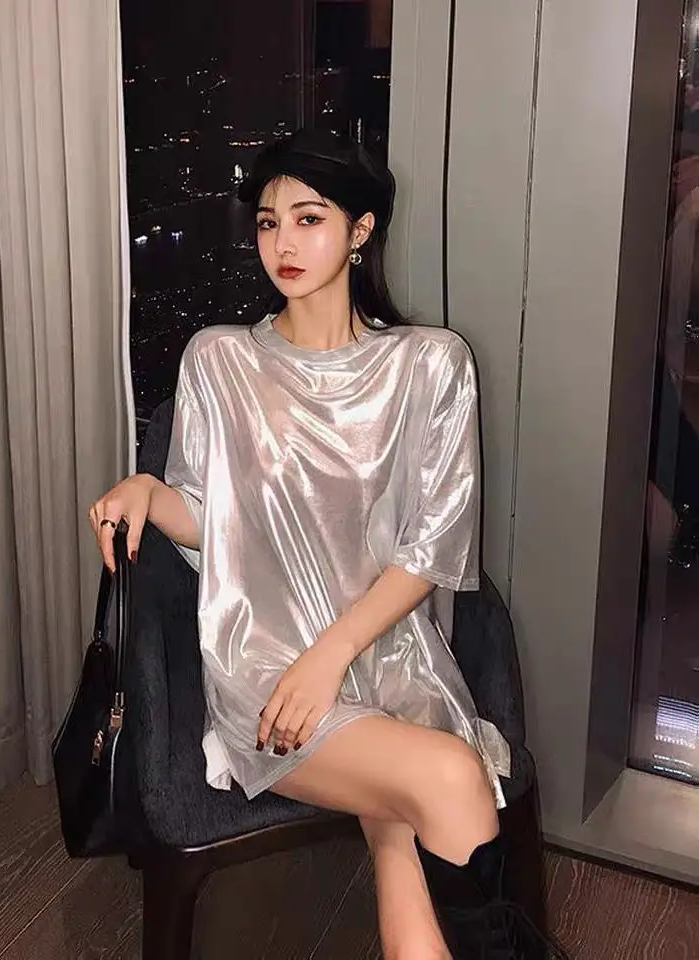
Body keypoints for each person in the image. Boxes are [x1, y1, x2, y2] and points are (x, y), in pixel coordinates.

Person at [89, 129, 565, 960]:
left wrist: (334, 654)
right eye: (268, 222)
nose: (283, 243)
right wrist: (149, 493)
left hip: (390, 657)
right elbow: (210, 520)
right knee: (448, 777)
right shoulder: (219, 360)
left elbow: (433, 547)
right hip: (270, 669)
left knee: (403, 829)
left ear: (361, 230)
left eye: (309, 219)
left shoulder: (430, 365)